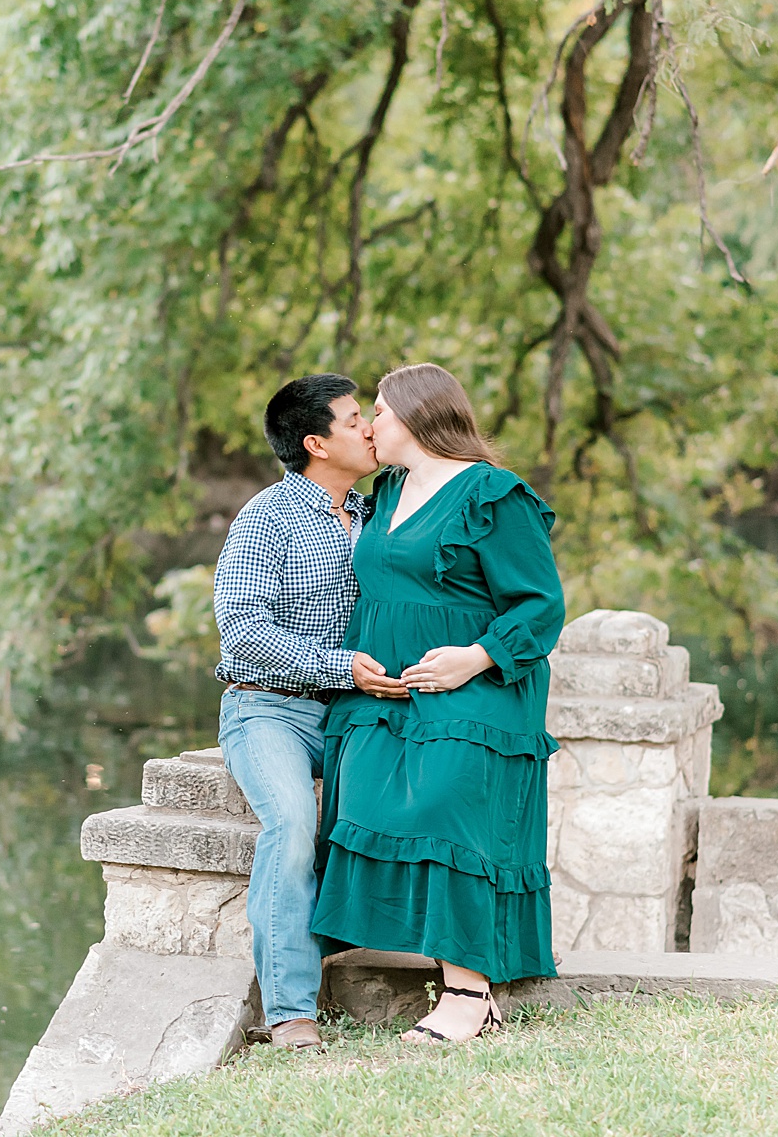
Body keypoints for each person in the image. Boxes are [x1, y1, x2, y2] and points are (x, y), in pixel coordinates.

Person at [312, 362, 565, 1043]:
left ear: (419, 419)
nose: (370, 426)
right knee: (362, 784)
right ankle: (382, 960)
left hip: (479, 687)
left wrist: (473, 659)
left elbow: (542, 607)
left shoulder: (495, 497)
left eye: (381, 414)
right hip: (389, 692)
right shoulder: (388, 490)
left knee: (447, 801)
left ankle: (467, 993)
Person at [211, 373, 398, 1051]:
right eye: (355, 421)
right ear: (316, 443)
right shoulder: (267, 517)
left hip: (360, 710)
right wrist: (337, 666)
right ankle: (291, 1013)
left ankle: (451, 978)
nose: (370, 429)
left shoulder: (383, 515)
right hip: (270, 712)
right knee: (292, 825)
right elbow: (243, 633)